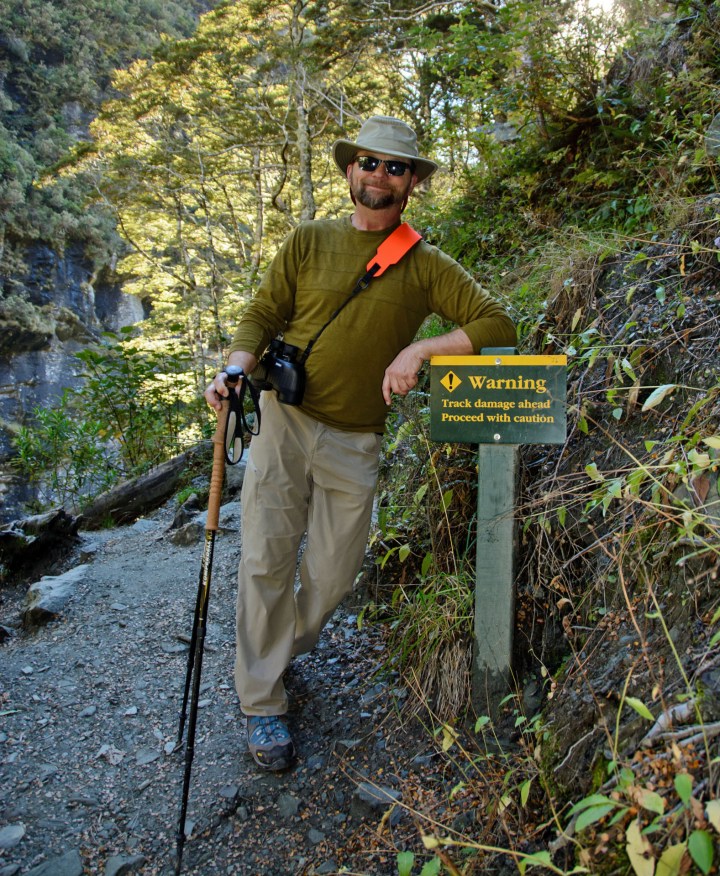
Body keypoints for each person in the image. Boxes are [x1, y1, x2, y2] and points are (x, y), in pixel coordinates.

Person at [204, 115, 516, 770]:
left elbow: (497, 322)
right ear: (350, 171)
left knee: (335, 573)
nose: (379, 175)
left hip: (356, 439)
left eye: (394, 167)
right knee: (265, 556)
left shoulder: (425, 264)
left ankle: (273, 652)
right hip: (286, 421)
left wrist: (424, 348)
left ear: (411, 184)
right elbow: (263, 311)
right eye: (369, 162)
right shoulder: (309, 240)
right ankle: (263, 702)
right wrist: (236, 366)